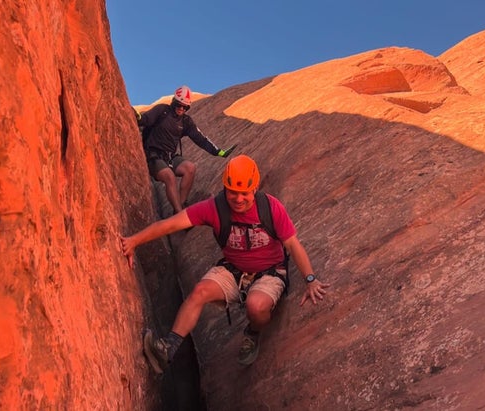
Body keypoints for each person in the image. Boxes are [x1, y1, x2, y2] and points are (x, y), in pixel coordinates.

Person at [120, 155, 330, 373]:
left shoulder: (271, 207)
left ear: (254, 188)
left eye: (244, 193)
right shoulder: (215, 208)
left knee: (256, 306)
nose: (238, 199)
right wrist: (134, 240)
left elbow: (293, 245)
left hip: (268, 273)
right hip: (233, 270)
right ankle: (168, 350)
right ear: (224, 188)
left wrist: (310, 279)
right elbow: (170, 225)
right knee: (200, 291)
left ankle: (253, 333)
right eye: (232, 192)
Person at [135, 85, 235, 214]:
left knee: (190, 168)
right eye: (179, 105)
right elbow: (145, 119)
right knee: (170, 177)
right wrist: (136, 116)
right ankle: (180, 214)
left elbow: (201, 139)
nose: (181, 109)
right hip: (153, 155)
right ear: (173, 102)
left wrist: (218, 152)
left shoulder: (186, 121)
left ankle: (180, 206)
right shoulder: (162, 111)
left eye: (185, 107)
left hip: (170, 157)